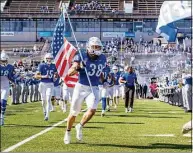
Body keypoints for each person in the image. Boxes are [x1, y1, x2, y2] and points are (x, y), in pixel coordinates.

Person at [64, 37, 106, 144]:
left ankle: (80, 125)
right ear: (89, 47)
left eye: (98, 47)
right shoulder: (81, 56)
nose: (96, 49)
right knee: (74, 112)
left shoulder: (103, 58)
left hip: (94, 87)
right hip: (81, 87)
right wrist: (78, 68)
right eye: (94, 46)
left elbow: (99, 70)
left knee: (92, 110)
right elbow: (70, 72)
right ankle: (68, 132)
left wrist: (102, 79)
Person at [35, 53, 58, 121]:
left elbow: (56, 75)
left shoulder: (54, 66)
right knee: (43, 101)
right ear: (45, 59)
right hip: (43, 84)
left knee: (48, 99)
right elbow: (36, 76)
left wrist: (55, 78)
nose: (49, 60)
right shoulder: (41, 65)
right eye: (48, 58)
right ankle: (44, 111)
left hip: (50, 84)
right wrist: (43, 76)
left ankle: (47, 115)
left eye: (50, 59)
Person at [0, 52, 16, 126]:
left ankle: (2, 117)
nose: (3, 62)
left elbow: (11, 76)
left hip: (5, 86)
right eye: (2, 61)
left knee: (3, 102)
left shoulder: (10, 67)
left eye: (4, 60)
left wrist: (13, 82)